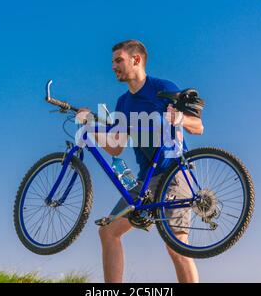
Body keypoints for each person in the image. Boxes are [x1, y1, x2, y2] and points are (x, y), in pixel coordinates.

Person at [76, 40, 203, 283]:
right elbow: (115, 147)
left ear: (136, 60)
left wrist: (180, 119)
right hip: (146, 180)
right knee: (108, 232)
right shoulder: (123, 103)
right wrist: (91, 126)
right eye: (113, 61)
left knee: (176, 246)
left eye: (118, 60)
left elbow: (198, 126)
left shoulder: (163, 88)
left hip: (174, 173)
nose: (113, 66)